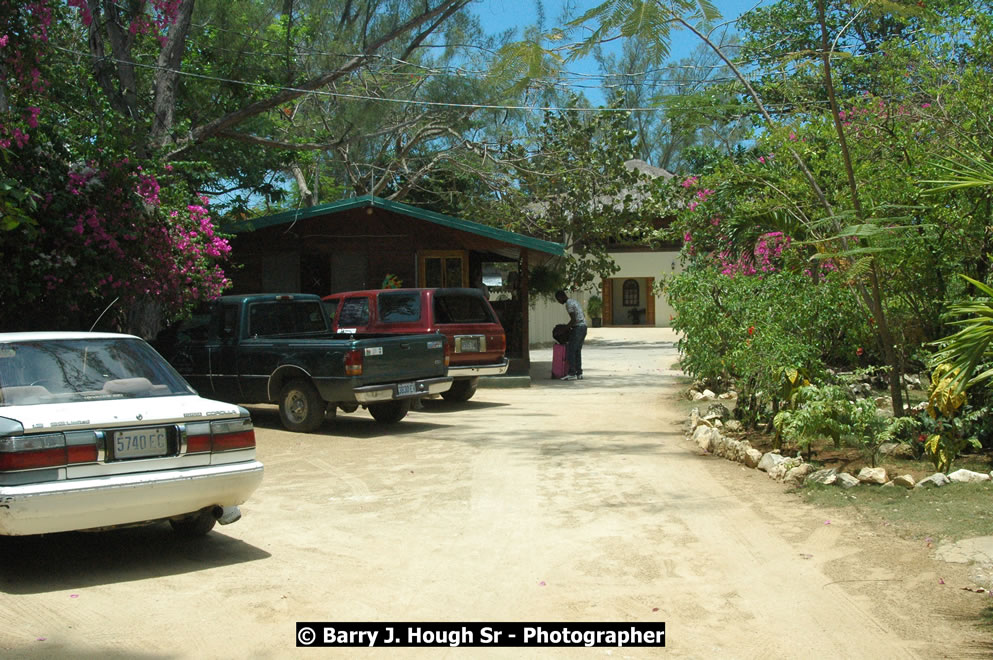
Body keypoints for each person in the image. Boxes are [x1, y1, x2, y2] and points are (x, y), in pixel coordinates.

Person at [554, 290, 587, 380]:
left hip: (578, 328)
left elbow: (573, 319)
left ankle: (572, 372)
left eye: (558, 299)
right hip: (584, 326)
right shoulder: (574, 301)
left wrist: (564, 330)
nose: (559, 301)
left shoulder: (568, 304)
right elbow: (582, 315)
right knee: (577, 351)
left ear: (561, 297)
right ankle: (579, 373)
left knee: (571, 350)